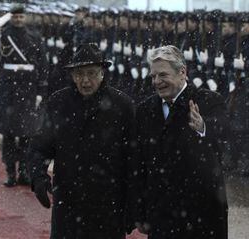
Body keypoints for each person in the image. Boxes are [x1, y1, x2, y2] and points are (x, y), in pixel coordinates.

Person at [28, 44, 136, 238]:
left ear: (102, 73)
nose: (85, 81)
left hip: (108, 205)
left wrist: (133, 206)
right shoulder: (58, 102)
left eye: (92, 73)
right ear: (72, 75)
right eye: (79, 74)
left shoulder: (123, 106)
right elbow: (40, 147)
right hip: (68, 202)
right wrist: (38, 178)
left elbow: (134, 159)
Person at [132, 45, 229, 239]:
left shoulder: (209, 101)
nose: (157, 82)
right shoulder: (145, 110)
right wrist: (139, 211)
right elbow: (139, 164)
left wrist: (203, 127)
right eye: (153, 76)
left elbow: (222, 143)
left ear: (182, 72)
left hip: (202, 213)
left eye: (163, 75)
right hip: (161, 213)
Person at [0, 5, 48, 187]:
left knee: (26, 133)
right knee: (8, 133)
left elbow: (43, 65)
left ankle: (23, 171)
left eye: (21, 17)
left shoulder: (35, 37)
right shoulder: (2, 34)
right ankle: (10, 173)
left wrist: (41, 91)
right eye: (14, 17)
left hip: (28, 87)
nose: (18, 20)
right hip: (9, 87)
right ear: (10, 17)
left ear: (25, 18)